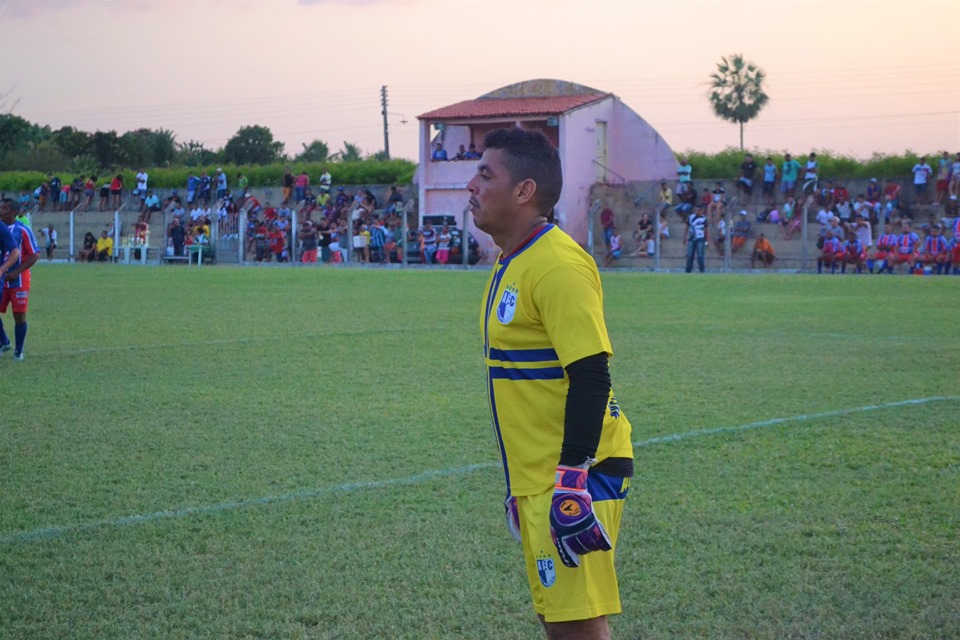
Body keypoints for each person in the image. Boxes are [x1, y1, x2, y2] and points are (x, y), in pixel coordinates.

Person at [466, 128, 633, 639]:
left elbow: (591, 374)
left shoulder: (558, 264)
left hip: (576, 476)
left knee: (578, 629)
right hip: (539, 477)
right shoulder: (512, 259)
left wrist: (571, 479)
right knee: (559, 622)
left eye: (485, 174)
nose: (471, 184)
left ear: (524, 191)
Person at [0, 198, 39, 361]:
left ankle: (18, 350)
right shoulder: (1, 228)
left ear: (14, 212)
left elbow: (35, 254)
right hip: (2, 278)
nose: (1, 210)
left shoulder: (23, 230)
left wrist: (16, 271)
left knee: (19, 316)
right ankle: (4, 341)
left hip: (19, 280)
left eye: (4, 208)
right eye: (0, 207)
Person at [684, 205, 708, 273]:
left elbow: (706, 230)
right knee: (689, 255)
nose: (696, 211)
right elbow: (687, 227)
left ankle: (702, 269)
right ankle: (688, 270)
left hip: (700, 238)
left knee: (700, 255)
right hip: (691, 238)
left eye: (698, 210)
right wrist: (684, 237)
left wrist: (707, 240)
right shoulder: (690, 217)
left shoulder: (704, 218)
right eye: (695, 210)